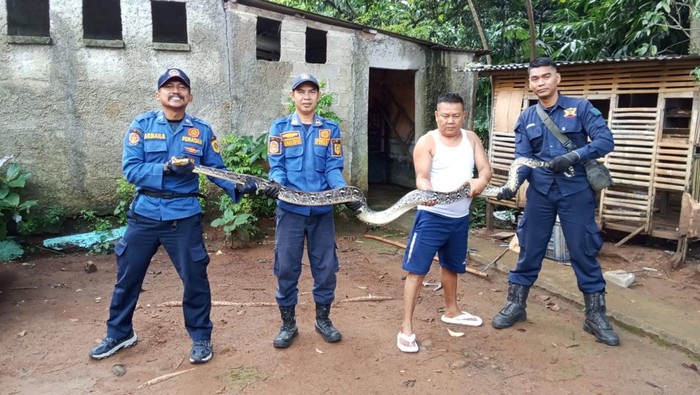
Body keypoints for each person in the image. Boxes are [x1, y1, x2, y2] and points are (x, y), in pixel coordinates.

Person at [88, 68, 257, 364]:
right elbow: (130, 169)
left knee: (195, 279)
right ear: (159, 95)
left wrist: (241, 186)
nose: (175, 90)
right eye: (169, 86)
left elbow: (217, 170)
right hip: (145, 215)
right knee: (128, 277)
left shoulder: (201, 131)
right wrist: (165, 168)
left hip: (183, 216)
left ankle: (201, 337)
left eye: (181, 87)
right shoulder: (141, 126)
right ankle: (119, 333)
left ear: (189, 96)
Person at [493, 57, 619, 346]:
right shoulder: (527, 118)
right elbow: (523, 159)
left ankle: (595, 316)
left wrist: (573, 156)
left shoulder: (581, 108)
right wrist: (513, 185)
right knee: (529, 247)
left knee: (582, 250)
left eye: (545, 77)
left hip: (575, 191)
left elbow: (605, 140)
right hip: (540, 193)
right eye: (535, 78)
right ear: (530, 82)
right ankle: (516, 305)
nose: (540, 83)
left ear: (557, 78)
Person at [264, 73, 361, 348]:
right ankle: (288, 324)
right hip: (290, 211)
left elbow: (333, 168)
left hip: (321, 213)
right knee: (286, 267)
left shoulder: (330, 129)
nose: (306, 96)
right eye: (301, 91)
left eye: (311, 91)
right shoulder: (280, 127)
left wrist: (345, 193)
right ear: (292, 96)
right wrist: (276, 186)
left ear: (319, 96)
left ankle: (323, 320)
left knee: (326, 268)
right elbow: (277, 167)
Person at [397, 92, 492, 353]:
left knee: (451, 266)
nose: (450, 121)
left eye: (456, 115)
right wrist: (426, 193)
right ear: (437, 116)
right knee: (416, 270)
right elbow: (422, 177)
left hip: (460, 219)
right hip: (432, 217)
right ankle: (406, 327)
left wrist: (480, 181)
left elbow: (485, 170)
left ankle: (452, 310)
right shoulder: (427, 142)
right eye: (445, 116)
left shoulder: (471, 139)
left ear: (463, 115)